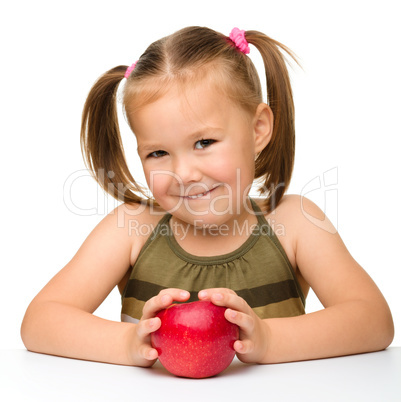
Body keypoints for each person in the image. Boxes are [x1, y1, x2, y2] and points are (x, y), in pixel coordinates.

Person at [21, 26, 394, 367]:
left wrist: (269, 339)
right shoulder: (131, 228)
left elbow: (373, 321)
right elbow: (40, 321)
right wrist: (125, 345)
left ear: (258, 128)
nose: (183, 174)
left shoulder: (293, 224)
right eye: (158, 153)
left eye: (204, 142)